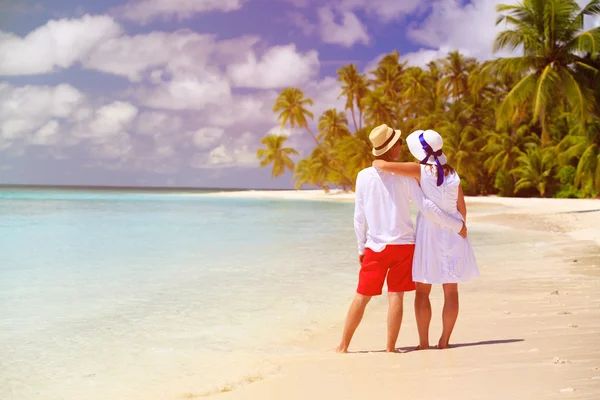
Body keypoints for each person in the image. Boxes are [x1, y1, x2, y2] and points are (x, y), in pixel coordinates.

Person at [336, 124, 467, 354]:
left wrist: (361, 246)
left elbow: (359, 216)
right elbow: (424, 206)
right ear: (391, 149)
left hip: (375, 246)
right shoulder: (407, 177)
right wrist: (456, 224)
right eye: (397, 143)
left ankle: (343, 346)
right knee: (396, 295)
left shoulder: (364, 176)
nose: (400, 146)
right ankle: (390, 348)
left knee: (361, 296)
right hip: (404, 245)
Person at [373, 129, 480, 350]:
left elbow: (382, 165)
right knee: (451, 290)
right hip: (454, 233)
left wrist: (377, 159)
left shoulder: (418, 170)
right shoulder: (453, 174)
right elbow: (462, 210)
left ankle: (423, 343)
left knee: (423, 291)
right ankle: (445, 341)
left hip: (430, 233)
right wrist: (458, 226)